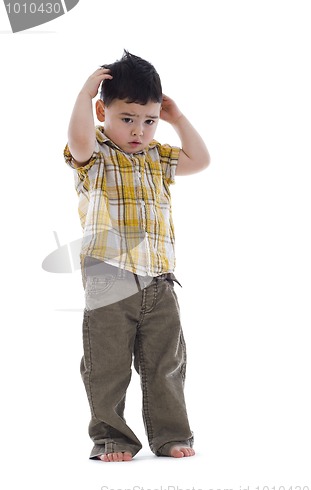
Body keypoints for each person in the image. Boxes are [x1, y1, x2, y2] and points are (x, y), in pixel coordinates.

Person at [64, 51, 210, 462]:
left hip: (160, 280)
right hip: (109, 277)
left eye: (148, 121)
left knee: (167, 363)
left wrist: (177, 119)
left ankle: (171, 435)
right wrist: (82, 93)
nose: (138, 130)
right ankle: (112, 438)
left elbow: (200, 160)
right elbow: (78, 138)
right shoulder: (96, 155)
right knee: (106, 366)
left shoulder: (159, 157)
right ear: (102, 111)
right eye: (127, 118)